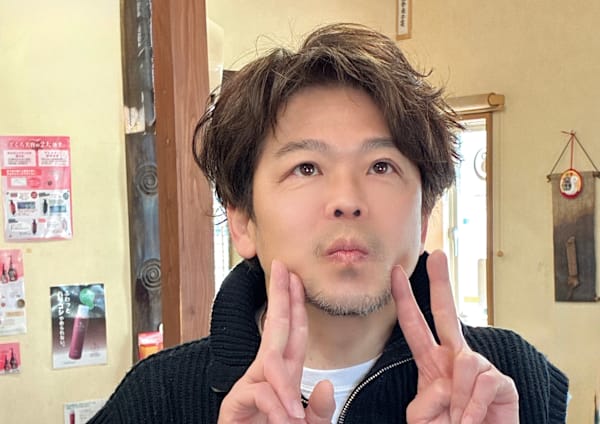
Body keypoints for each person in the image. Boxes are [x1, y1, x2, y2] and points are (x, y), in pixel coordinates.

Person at [89, 23, 568, 423]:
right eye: (306, 168)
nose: (347, 200)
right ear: (243, 220)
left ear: (424, 214)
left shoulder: (510, 382)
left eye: (381, 166)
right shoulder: (156, 399)